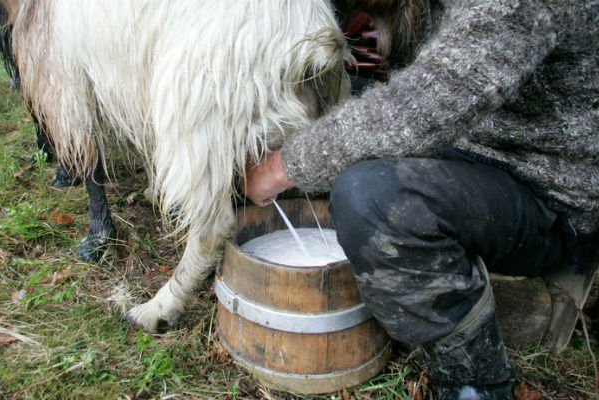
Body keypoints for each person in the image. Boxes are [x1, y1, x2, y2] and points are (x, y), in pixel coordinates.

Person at [242, 0, 599, 398]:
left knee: (371, 198)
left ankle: (474, 381)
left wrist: (281, 167)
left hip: (542, 184)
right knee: (323, 112)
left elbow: (429, 103)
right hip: (467, 141)